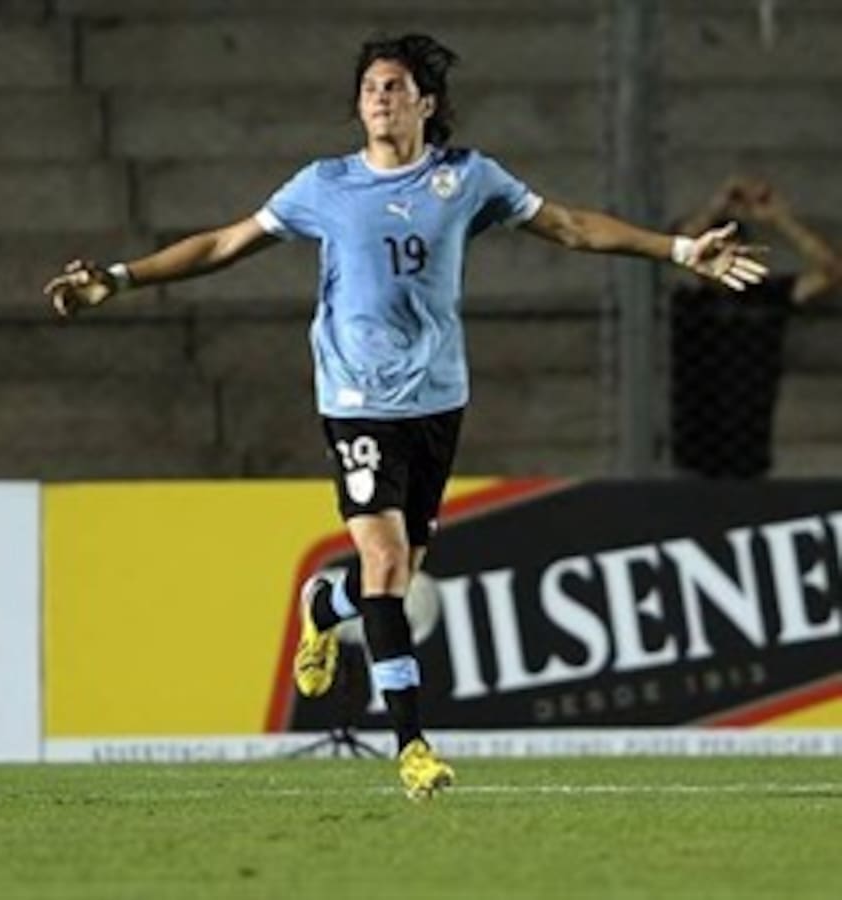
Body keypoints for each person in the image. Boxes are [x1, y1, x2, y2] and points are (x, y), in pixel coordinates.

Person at [43, 33, 766, 799]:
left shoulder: (468, 178)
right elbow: (226, 241)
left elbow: (571, 227)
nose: (380, 98)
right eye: (369, 88)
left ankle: (324, 603)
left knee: (391, 575)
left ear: (426, 102)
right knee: (387, 565)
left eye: (394, 86)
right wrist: (118, 278)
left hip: (437, 401)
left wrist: (681, 251)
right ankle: (413, 747)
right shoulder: (325, 185)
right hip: (356, 400)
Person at [670, 176, 841, 477]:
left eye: (731, 251)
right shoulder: (689, 302)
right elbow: (671, 251)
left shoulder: (767, 295)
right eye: (714, 253)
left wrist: (780, 220)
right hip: (694, 446)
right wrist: (717, 207)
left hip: (751, 443)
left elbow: (829, 272)